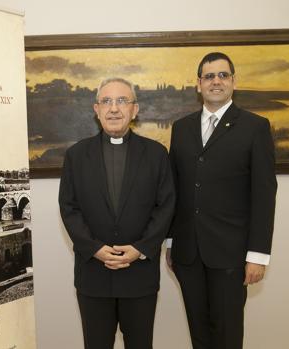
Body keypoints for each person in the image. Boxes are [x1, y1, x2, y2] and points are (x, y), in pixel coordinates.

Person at [166, 52, 277, 349]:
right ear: (198, 84)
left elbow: (264, 194)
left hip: (232, 255)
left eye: (223, 75)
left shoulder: (255, 127)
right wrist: (170, 241)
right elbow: (173, 189)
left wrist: (258, 255)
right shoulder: (181, 129)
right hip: (188, 253)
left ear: (233, 82)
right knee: (199, 333)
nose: (216, 81)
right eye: (209, 76)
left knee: (227, 335)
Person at [59, 77, 175, 349]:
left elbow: (166, 206)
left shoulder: (156, 154)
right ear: (96, 109)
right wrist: (95, 248)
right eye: (107, 101)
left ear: (135, 110)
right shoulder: (76, 155)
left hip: (140, 275)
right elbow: (69, 208)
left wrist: (141, 247)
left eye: (122, 101)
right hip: (93, 276)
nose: (114, 109)